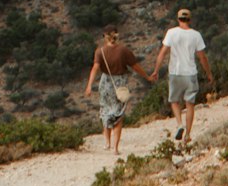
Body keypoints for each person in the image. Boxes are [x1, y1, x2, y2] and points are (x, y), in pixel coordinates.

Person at [84, 26, 151, 153]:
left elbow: (95, 68)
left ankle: (107, 142)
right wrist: (147, 77)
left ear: (105, 36)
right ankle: (115, 147)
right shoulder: (124, 51)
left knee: (106, 111)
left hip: (105, 84)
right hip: (120, 84)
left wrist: (89, 86)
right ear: (117, 35)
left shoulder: (100, 51)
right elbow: (135, 67)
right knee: (118, 115)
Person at [150, 8, 213, 143]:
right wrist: (209, 73)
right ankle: (188, 135)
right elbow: (202, 57)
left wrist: (156, 70)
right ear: (190, 20)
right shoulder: (196, 35)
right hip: (190, 73)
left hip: (175, 72)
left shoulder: (171, 33)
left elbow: (162, 53)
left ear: (178, 19)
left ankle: (179, 124)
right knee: (190, 104)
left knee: (174, 101)